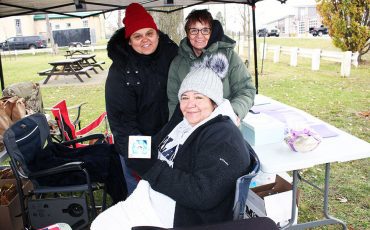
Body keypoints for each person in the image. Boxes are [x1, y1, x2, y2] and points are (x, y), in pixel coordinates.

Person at [91, 55, 253, 229]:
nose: (190, 104)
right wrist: (139, 151)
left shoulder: (223, 137)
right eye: (185, 97)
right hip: (150, 196)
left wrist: (151, 169)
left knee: (102, 225)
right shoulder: (186, 122)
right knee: (101, 223)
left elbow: (203, 194)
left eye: (199, 97)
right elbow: (159, 143)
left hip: (173, 216)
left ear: (214, 102)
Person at [105, 3, 178, 194]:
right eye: (138, 36)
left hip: (169, 137)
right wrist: (142, 158)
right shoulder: (120, 70)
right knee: (141, 194)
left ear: (157, 33)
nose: (145, 40)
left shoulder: (171, 54)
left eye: (149, 33)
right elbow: (121, 122)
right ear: (129, 41)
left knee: (170, 194)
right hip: (135, 141)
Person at [167, 9, 256, 123]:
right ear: (187, 33)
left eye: (205, 30)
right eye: (194, 30)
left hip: (223, 124)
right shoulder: (178, 63)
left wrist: (233, 112)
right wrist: (175, 127)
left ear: (211, 32)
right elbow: (174, 100)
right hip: (191, 126)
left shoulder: (229, 57)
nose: (199, 35)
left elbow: (246, 90)